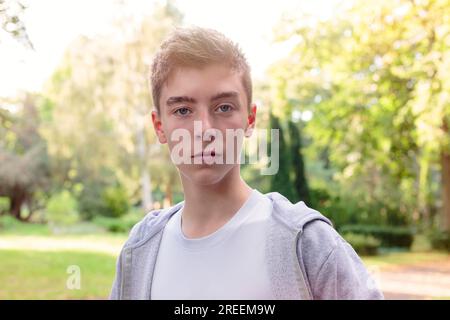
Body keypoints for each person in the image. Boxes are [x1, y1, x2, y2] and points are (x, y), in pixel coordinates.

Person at [109, 26, 384, 300]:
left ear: (250, 119)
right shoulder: (140, 250)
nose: (205, 130)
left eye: (224, 107)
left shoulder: (307, 243)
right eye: (182, 110)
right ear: (159, 126)